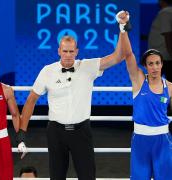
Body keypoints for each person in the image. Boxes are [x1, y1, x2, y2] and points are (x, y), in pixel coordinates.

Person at [17, 29, 127, 179]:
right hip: (56, 132)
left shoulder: (88, 66)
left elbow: (118, 56)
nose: (68, 55)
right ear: (59, 51)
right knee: (57, 176)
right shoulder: (47, 71)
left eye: (71, 51)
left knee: (87, 176)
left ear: (76, 51)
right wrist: (22, 133)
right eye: (65, 51)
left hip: (81, 131)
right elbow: (31, 100)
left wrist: (122, 29)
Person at [116, 11, 172, 179]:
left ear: (162, 64)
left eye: (157, 63)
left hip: (163, 140)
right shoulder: (139, 80)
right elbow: (128, 55)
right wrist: (123, 28)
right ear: (146, 66)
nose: (154, 67)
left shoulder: (169, 87)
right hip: (140, 140)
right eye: (150, 64)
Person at [0, 58, 20, 179]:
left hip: (2, 140)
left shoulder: (6, 90)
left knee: (5, 177)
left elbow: (15, 115)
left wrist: (20, 140)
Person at [148, 0, 172, 82]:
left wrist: (170, 53)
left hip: (164, 56)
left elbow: (167, 34)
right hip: (163, 56)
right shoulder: (167, 12)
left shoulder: (166, 12)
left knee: (153, 84)